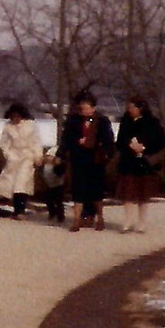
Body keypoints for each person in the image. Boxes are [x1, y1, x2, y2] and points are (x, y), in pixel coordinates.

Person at [58, 88, 115, 231]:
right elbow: (66, 139)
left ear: (93, 107)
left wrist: (105, 151)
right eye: (81, 108)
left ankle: (98, 217)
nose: (83, 110)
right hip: (78, 159)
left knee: (95, 191)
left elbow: (108, 140)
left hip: (96, 160)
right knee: (78, 190)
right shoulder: (73, 120)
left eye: (86, 107)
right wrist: (61, 154)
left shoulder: (102, 121)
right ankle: (77, 219)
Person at [115, 94, 165, 233]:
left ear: (140, 108)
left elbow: (161, 141)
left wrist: (144, 147)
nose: (129, 110)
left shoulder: (152, 122)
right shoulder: (126, 121)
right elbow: (119, 141)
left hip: (144, 162)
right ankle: (127, 222)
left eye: (132, 107)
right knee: (127, 194)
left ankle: (142, 223)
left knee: (142, 195)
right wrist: (128, 144)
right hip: (128, 161)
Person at [0, 101, 43, 218]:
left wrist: (38, 156)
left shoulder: (30, 125)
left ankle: (20, 210)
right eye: (13, 116)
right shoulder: (8, 126)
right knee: (12, 183)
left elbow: (36, 142)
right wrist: (8, 154)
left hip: (27, 156)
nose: (15, 118)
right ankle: (16, 210)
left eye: (17, 116)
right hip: (14, 156)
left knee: (22, 183)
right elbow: (4, 142)